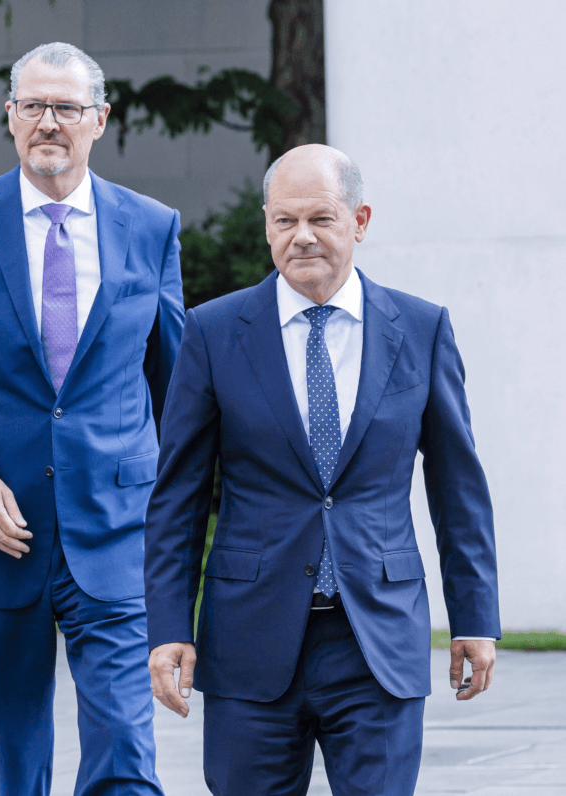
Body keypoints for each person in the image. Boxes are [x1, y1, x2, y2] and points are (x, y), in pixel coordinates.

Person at [144, 144, 501, 795]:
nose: (300, 236)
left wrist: (474, 617)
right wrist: (168, 627)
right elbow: (177, 499)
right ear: (265, 225)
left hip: (377, 640)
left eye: (320, 218)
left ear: (358, 220)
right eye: (283, 221)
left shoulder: (420, 329)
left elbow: (458, 489)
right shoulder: (212, 332)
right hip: (249, 639)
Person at [0, 42, 183, 796]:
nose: (48, 122)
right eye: (32, 106)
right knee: (5, 770)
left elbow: (178, 384)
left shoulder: (150, 226)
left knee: (124, 753)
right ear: (9, 117)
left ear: (99, 120)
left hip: (114, 531)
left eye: (67, 107)